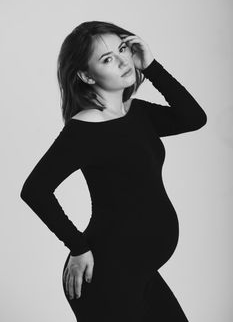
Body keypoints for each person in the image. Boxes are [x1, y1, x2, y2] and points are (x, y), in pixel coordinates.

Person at [20, 20, 207, 321]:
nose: (122, 62)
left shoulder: (136, 112)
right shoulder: (85, 129)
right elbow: (34, 190)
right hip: (106, 278)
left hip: (139, 272)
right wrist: (78, 247)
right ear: (86, 75)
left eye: (122, 49)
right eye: (107, 59)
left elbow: (194, 118)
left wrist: (152, 66)